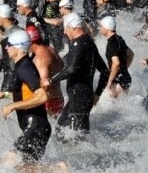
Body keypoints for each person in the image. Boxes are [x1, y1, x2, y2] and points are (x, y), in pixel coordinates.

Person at [43, 13, 109, 141]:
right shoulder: (89, 42)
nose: (65, 33)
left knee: (75, 138)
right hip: (81, 96)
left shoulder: (79, 43)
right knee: (61, 133)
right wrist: (97, 93)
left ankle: (90, 158)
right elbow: (105, 71)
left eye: (65, 29)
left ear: (72, 27)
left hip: (79, 97)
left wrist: (50, 80)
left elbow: (71, 69)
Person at [0, 30, 50, 171]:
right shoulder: (22, 66)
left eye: (9, 45)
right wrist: (4, 95)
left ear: (18, 47)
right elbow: (22, 93)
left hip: (36, 127)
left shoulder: (25, 68)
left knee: (9, 160)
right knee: (26, 169)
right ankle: (57, 169)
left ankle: (59, 168)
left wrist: (12, 106)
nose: (5, 48)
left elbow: (42, 96)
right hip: (38, 127)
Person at [27, 25, 65, 118]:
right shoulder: (51, 49)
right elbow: (62, 66)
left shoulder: (40, 58)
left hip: (48, 102)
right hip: (58, 98)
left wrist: (32, 103)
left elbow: (45, 84)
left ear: (30, 42)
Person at [100, 16, 134, 98]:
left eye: (101, 26)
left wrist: (109, 81)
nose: (99, 28)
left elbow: (116, 63)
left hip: (119, 80)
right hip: (125, 77)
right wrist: (124, 69)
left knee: (114, 103)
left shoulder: (111, 43)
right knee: (122, 106)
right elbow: (131, 54)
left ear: (107, 28)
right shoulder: (120, 39)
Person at [0, 4, 21, 92]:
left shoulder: (8, 35)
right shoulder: (18, 29)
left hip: (12, 74)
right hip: (17, 71)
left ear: (4, 18)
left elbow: (11, 61)